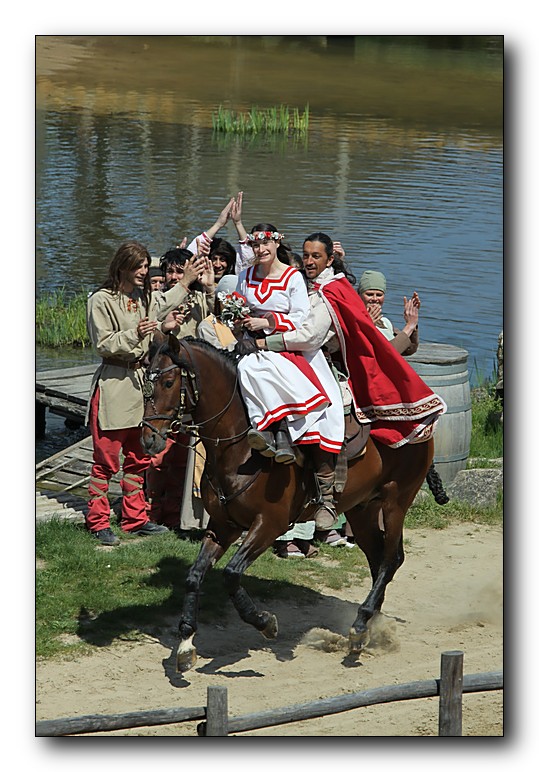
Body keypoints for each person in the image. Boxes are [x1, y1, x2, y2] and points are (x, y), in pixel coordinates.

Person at [251, 232, 446, 537]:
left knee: (329, 410)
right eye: (307, 255)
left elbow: (313, 336)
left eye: (317, 256)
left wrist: (267, 341)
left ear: (330, 259)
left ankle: (327, 496)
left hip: (327, 363)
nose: (310, 262)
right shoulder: (305, 284)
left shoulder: (331, 291)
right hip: (294, 354)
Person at [85, 240, 208, 546]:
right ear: (122, 267)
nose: (144, 272)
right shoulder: (101, 300)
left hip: (142, 384)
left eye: (145, 266)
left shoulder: (142, 297)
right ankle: (98, 520)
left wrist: (187, 281)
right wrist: (134, 334)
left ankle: (134, 518)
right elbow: (103, 344)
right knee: (106, 460)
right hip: (114, 383)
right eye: (139, 267)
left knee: (139, 457)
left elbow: (164, 302)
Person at [233, 222, 345, 531]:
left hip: (291, 348)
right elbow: (238, 309)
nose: (260, 250)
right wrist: (239, 321)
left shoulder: (292, 277)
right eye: (255, 246)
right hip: (250, 344)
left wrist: (266, 322)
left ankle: (324, 493)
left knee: (326, 410)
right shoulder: (244, 276)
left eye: (265, 245)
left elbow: (300, 319)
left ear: (275, 244)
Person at [145, 244, 216, 533]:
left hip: (193, 390)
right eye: (170, 271)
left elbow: (216, 327)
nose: (174, 276)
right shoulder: (158, 299)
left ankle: (175, 515)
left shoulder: (199, 298)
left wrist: (210, 291)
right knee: (159, 456)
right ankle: (151, 512)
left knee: (185, 457)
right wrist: (166, 327)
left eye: (179, 271)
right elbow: (151, 341)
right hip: (166, 385)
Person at [358, 269, 420, 356]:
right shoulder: (355, 321)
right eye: (369, 294)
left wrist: (413, 325)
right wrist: (410, 326)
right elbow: (388, 353)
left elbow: (409, 349)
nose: (375, 299)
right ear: (359, 296)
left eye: (379, 295)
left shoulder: (385, 322)